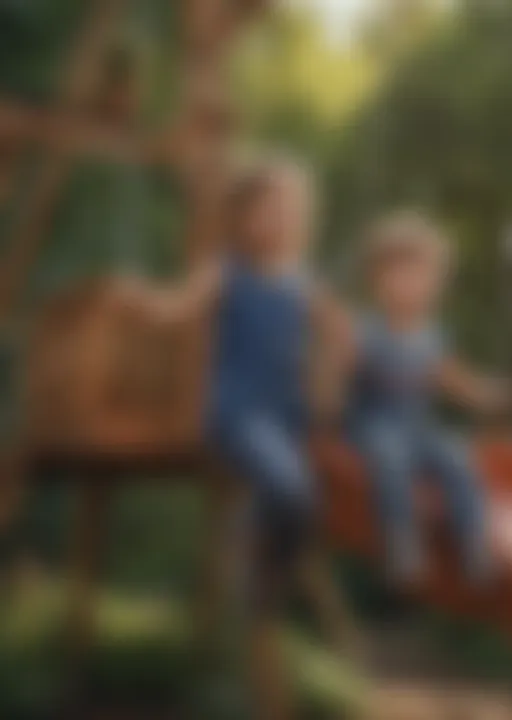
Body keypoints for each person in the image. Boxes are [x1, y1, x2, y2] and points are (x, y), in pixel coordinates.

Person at [117, 154, 353, 719]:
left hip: (288, 414)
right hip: (238, 412)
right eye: (266, 209)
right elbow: (177, 308)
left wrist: (329, 381)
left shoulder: (304, 281)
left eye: (291, 209)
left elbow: (341, 331)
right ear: (242, 218)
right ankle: (260, 583)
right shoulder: (224, 270)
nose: (279, 220)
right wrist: (140, 300)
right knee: (292, 490)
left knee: (315, 497)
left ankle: (262, 563)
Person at [349, 211, 512, 588]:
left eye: (420, 276)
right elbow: (338, 370)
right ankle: (401, 541)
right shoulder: (365, 330)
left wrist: (487, 394)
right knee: (389, 459)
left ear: (436, 285)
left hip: (416, 425)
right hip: (375, 421)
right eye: (399, 275)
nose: (410, 286)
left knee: (458, 459)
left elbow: (451, 378)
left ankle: (473, 544)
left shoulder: (432, 336)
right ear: (377, 282)